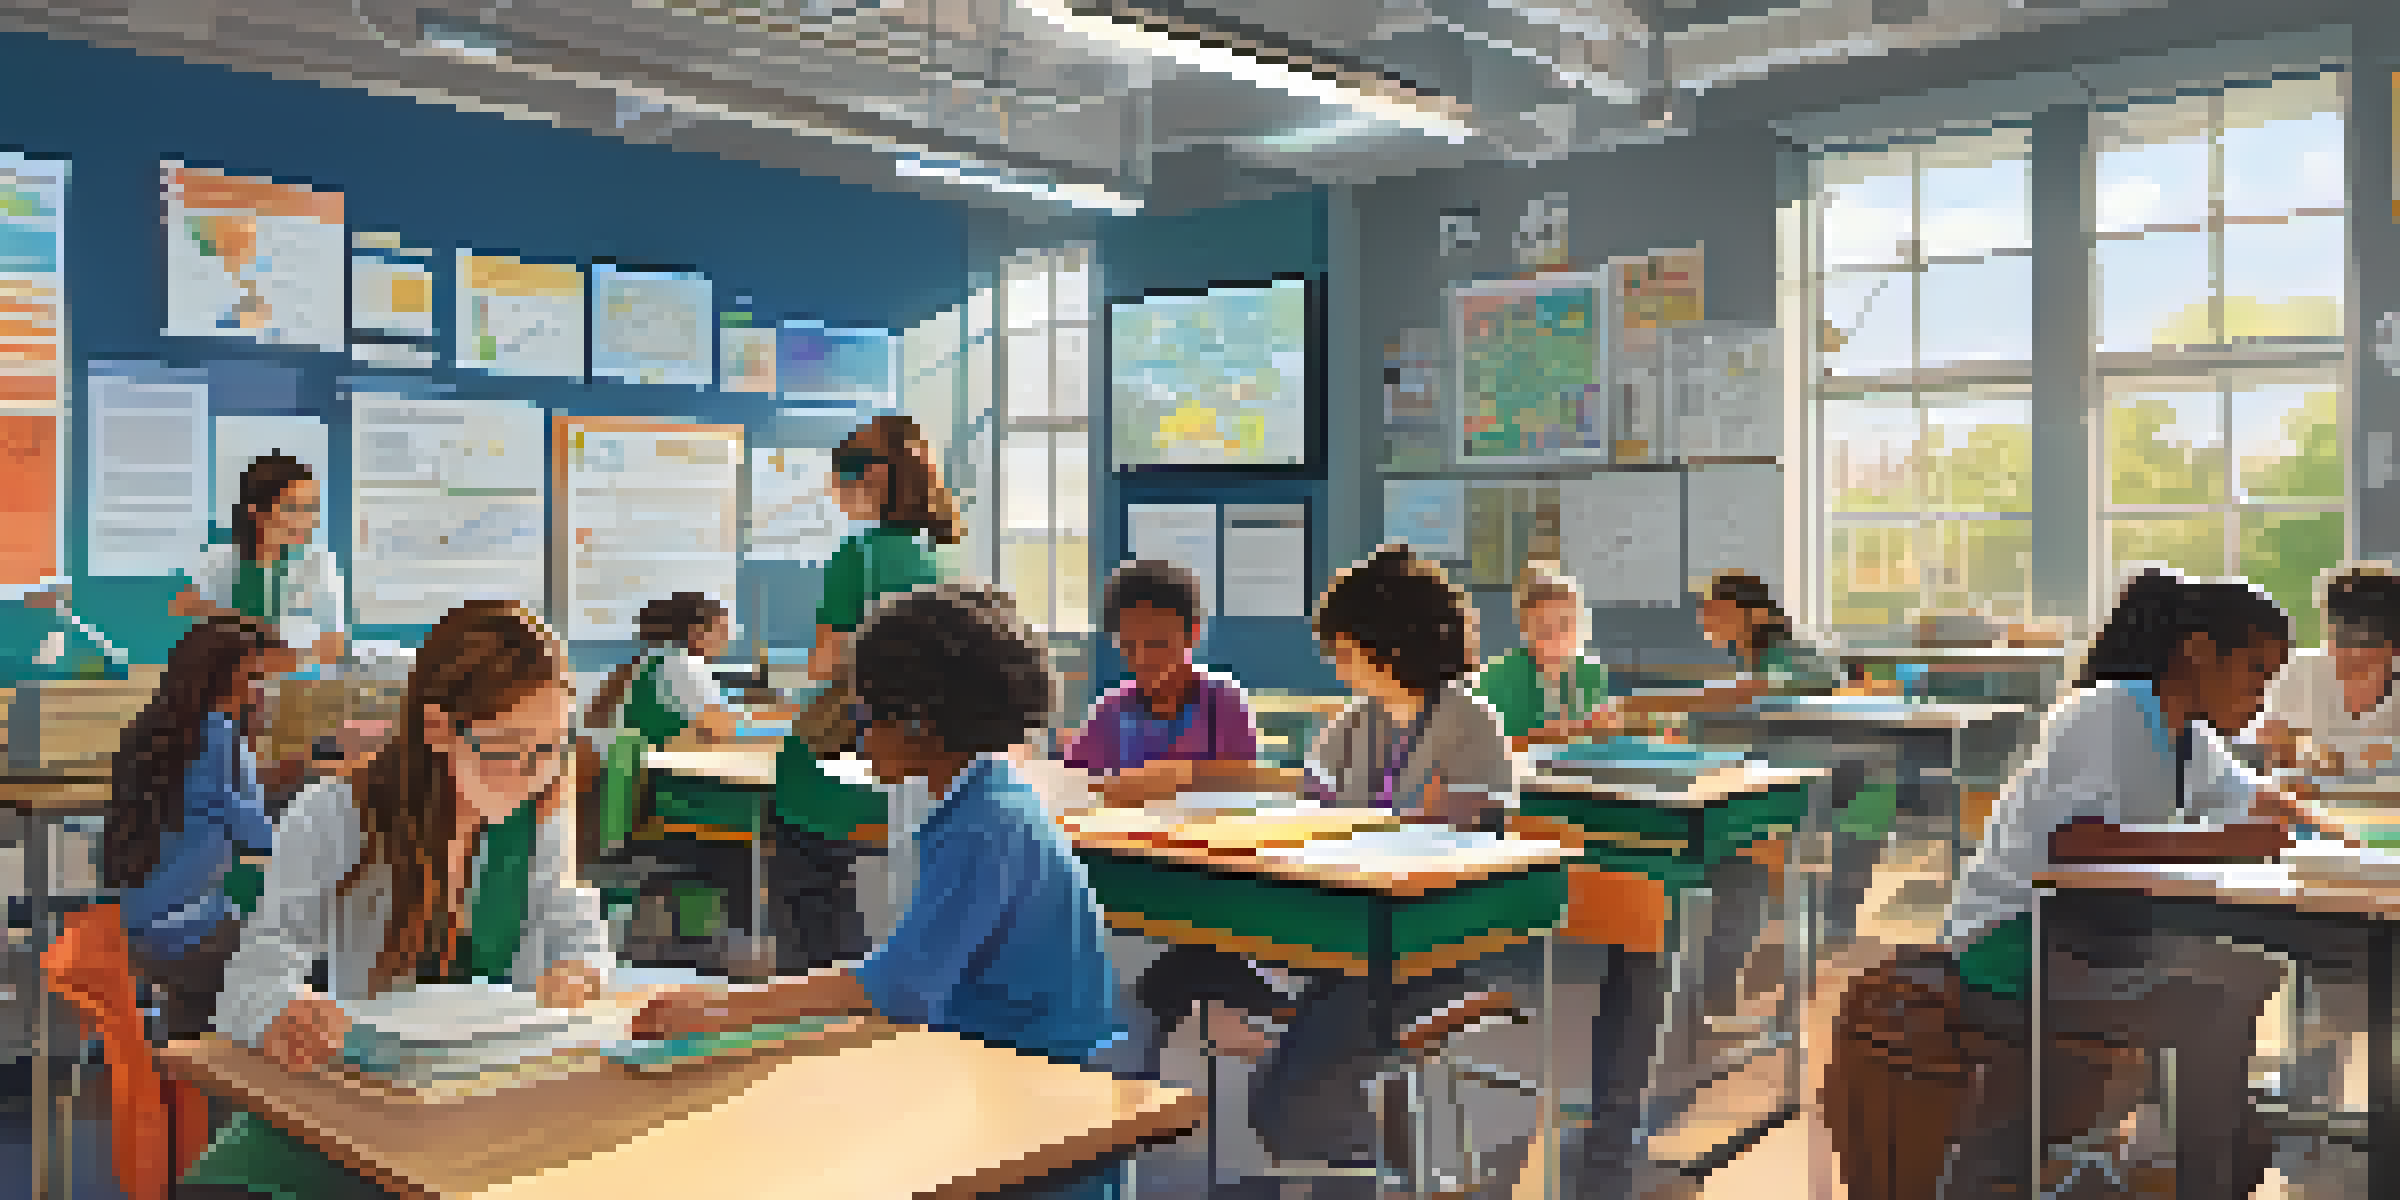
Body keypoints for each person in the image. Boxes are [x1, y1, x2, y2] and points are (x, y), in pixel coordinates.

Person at [632, 582, 1126, 1200]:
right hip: (1006, 1075)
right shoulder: (984, 798)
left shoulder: (985, 824)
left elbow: (901, 986)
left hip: (1037, 1105)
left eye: (865, 715)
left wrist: (720, 1009)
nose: (859, 737)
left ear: (919, 721)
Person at [180, 600, 610, 1199]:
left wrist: (579, 967)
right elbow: (251, 983)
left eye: (551, 748)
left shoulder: (539, 811)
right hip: (369, 1109)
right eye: (505, 746)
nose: (530, 772)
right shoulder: (337, 813)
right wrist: (283, 1012)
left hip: (497, 1102)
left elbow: (571, 917)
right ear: (437, 728)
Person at [1933, 569, 2336, 1199]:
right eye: (2254, 672)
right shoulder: (2107, 710)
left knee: (2247, 971)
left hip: (2086, 939)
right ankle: (2205, 1167)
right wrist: (2221, 842)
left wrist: (2330, 832)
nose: (2261, 697)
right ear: (2197, 652)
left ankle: (2197, 1145)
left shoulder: (2186, 736)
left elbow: (2257, 801)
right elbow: (2075, 845)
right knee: (2215, 1003)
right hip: (2014, 944)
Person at [1246, 546, 1517, 1177]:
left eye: (1345, 649)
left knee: (1293, 1098)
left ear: (1389, 646)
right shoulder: (1355, 722)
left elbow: (1467, 840)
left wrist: (1406, 824)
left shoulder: (1469, 722)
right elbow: (1313, 809)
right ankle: (1365, 1165)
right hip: (1355, 943)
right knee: (1280, 1086)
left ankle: (1366, 1171)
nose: (1336, 662)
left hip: (1433, 951)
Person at [1063, 559, 1292, 1072]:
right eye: (1130, 646)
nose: (1144, 659)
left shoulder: (1222, 702)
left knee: (1188, 965)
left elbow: (1246, 784)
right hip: (1135, 875)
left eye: (1159, 644)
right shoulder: (1111, 710)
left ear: (1191, 635)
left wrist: (1177, 777)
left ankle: (1226, 1021)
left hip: (1211, 876)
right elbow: (1075, 788)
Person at [778, 414, 961, 969]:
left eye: (842, 474)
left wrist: (799, 676)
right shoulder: (945, 555)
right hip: (921, 767)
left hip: (837, 775)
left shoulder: (857, 556)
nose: (834, 489)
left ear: (875, 476)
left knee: (815, 918)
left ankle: (820, 1000)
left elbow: (829, 660)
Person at [107, 617, 292, 1041]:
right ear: (222, 680)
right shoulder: (219, 737)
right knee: (303, 955)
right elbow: (255, 834)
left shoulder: (164, 731)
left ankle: (185, 1068)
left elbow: (218, 807)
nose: (264, 691)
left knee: (205, 1000)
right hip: (190, 930)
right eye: (255, 678)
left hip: (144, 926)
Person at [171, 453, 347, 668]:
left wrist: (271, 653)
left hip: (292, 680)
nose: (308, 520)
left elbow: (334, 646)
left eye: (311, 508)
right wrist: (255, 629)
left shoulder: (319, 565)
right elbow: (183, 609)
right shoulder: (219, 560)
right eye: (293, 508)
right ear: (255, 511)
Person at [586, 591, 800, 747]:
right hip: (661, 781)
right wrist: (783, 722)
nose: (727, 639)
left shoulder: (651, 662)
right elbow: (719, 729)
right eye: (722, 630)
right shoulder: (685, 666)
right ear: (697, 633)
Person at [2253, 563, 2400, 775]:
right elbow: (2268, 753)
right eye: (2338, 636)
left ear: (2393, 646)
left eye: (2363, 640)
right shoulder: (2297, 674)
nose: (2347, 651)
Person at [1473, 560, 1612, 753]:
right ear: (1525, 629)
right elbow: (1487, 748)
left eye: (1564, 625)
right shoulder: (1496, 678)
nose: (1556, 638)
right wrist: (1552, 735)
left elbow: (1598, 739)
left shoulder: (1590, 673)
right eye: (1544, 630)